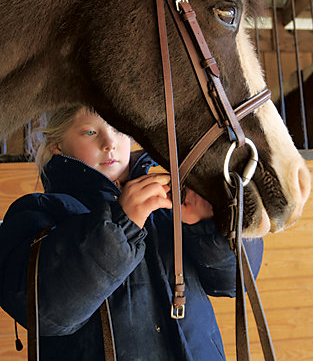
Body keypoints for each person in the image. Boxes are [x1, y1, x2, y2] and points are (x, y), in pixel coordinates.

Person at [0, 105, 263, 361]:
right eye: (90, 132)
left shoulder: (170, 203)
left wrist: (208, 225)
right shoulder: (35, 212)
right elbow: (43, 310)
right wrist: (122, 224)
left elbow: (232, 283)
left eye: (118, 128)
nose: (109, 143)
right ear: (58, 145)